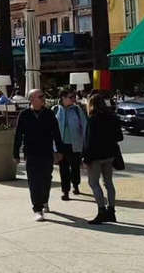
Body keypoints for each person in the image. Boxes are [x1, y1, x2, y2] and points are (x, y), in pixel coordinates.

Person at [13, 89, 63, 221]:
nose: (43, 99)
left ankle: (44, 200)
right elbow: (18, 135)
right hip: (31, 152)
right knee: (34, 181)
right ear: (32, 99)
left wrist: (59, 151)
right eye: (40, 97)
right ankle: (37, 208)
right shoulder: (24, 114)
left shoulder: (49, 114)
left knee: (46, 179)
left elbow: (56, 133)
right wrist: (15, 154)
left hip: (46, 152)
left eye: (43, 96)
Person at [83, 92, 123, 224]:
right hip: (110, 153)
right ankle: (111, 210)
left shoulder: (92, 119)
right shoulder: (112, 117)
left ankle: (101, 210)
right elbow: (119, 137)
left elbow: (88, 141)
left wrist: (85, 158)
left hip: (95, 155)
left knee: (93, 183)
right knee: (109, 183)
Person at [53, 88, 88, 200]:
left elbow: (85, 126)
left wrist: (85, 143)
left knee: (75, 167)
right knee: (63, 169)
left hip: (75, 143)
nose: (73, 99)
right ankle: (65, 191)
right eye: (71, 97)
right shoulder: (55, 109)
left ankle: (76, 185)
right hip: (61, 144)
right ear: (63, 98)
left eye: (74, 97)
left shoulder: (77, 110)